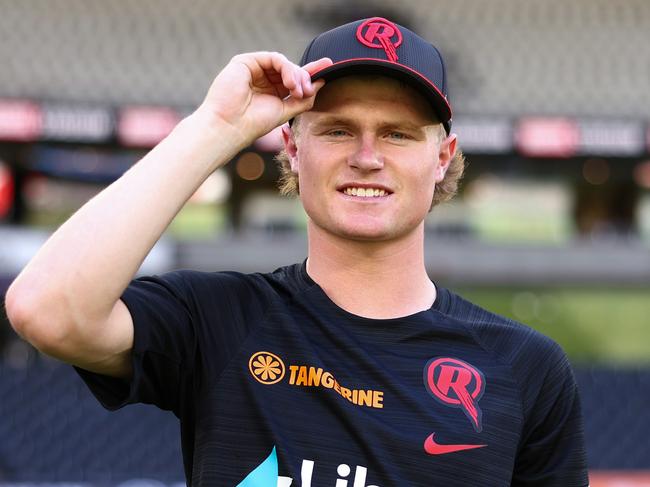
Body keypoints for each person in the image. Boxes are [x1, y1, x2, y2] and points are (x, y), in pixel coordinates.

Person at [5, 17, 588, 486]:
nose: (366, 155)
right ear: (292, 146)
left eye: (398, 133)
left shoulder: (525, 369)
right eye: (336, 129)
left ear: (442, 157)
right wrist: (215, 126)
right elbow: (47, 309)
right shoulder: (223, 320)